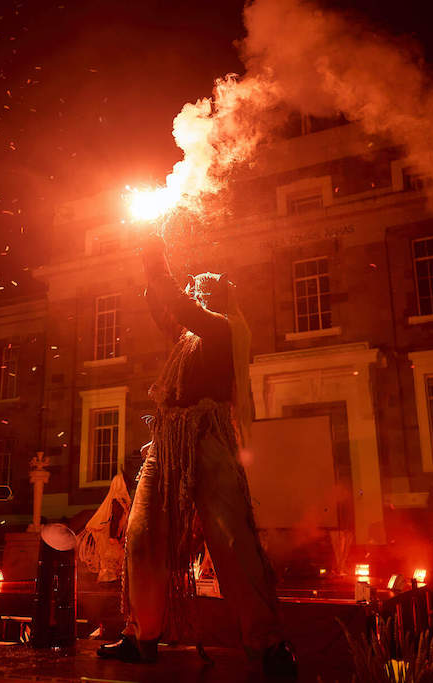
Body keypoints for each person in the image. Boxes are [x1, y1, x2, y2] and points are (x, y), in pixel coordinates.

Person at [98, 234, 296, 677]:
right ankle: (140, 635)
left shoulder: (222, 329)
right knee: (143, 534)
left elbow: (176, 302)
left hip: (206, 438)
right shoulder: (188, 336)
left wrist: (155, 253)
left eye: (201, 286)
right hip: (168, 439)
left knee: (232, 540)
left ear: (217, 296)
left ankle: (268, 643)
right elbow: (163, 305)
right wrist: (151, 266)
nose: (194, 289)